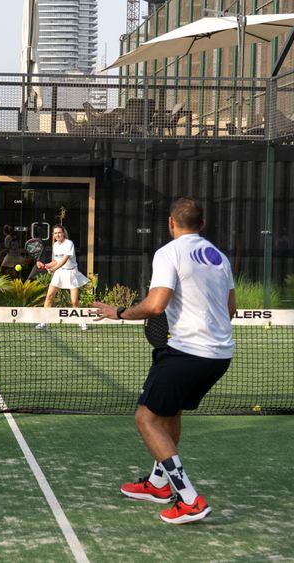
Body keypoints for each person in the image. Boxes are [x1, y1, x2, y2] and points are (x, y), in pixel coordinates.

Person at [90, 197, 236, 525]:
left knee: (147, 419)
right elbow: (230, 310)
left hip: (186, 353)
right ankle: (158, 483)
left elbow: (156, 305)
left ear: (171, 223)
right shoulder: (220, 259)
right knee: (170, 411)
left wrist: (120, 312)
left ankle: (189, 499)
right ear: (201, 225)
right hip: (219, 355)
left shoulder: (168, 252)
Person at [34, 225, 89, 330]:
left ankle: (82, 322)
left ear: (63, 233)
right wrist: (45, 265)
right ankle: (45, 322)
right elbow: (55, 261)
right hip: (59, 273)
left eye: (59, 232)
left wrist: (53, 269)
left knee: (74, 301)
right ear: (53, 235)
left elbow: (64, 260)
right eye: (55, 233)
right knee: (49, 297)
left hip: (71, 273)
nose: (57, 235)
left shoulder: (69, 243)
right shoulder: (55, 245)